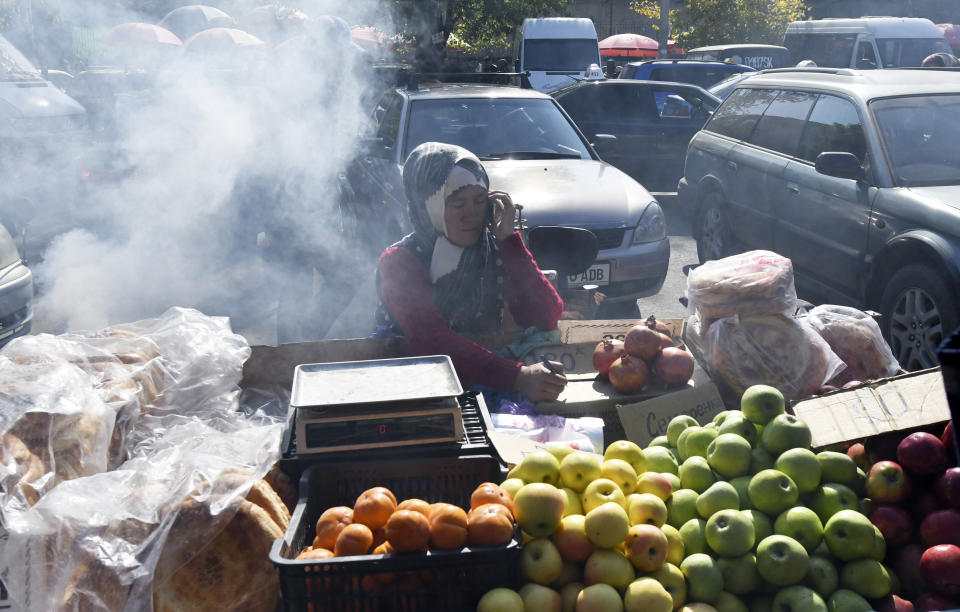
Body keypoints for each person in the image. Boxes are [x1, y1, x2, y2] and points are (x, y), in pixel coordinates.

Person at [375, 142, 567, 402]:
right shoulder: (399, 261)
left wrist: (510, 242)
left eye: (479, 201)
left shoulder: (493, 247)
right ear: (429, 205)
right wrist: (517, 377)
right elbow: (430, 341)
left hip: (488, 380)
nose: (472, 215)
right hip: (415, 390)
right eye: (457, 204)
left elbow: (547, 316)